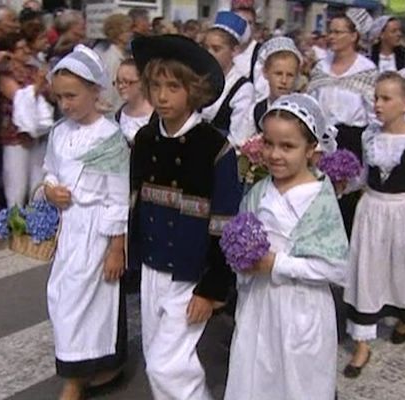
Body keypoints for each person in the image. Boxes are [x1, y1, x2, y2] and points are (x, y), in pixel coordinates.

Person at [130, 34, 242, 400]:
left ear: (193, 91)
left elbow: (225, 223)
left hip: (190, 274)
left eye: (173, 87)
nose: (162, 96)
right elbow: (135, 203)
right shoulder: (146, 139)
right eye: (156, 86)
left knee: (169, 365)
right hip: (151, 266)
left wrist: (212, 289)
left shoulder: (215, 147)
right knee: (156, 357)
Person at [224, 93, 346, 400]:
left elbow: (336, 267)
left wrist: (275, 264)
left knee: (296, 383)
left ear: (311, 148)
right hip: (259, 303)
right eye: (269, 143)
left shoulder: (318, 199)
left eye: (287, 146)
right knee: (255, 378)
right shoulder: (260, 191)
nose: (275, 154)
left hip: (301, 309)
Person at [43, 44, 129, 400]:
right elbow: (49, 169)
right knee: (62, 298)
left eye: (73, 96)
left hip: (96, 231)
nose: (66, 104)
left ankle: (76, 378)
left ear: (94, 91)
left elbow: (117, 195)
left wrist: (116, 247)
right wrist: (50, 191)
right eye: (60, 97)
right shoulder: (59, 133)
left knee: (88, 302)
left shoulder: (109, 137)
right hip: (70, 229)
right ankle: (90, 364)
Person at [343, 72, 405, 378]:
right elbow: (365, 176)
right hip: (371, 211)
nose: (378, 104)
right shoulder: (370, 136)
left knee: (402, 272)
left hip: (402, 214)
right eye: (376, 97)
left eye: (386, 98)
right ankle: (362, 343)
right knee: (367, 272)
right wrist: (341, 182)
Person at [307, 8, 377, 236]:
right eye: (330, 31)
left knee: (346, 210)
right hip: (321, 143)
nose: (332, 36)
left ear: (354, 36)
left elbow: (374, 118)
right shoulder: (321, 67)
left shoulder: (366, 70)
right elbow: (312, 107)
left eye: (338, 32)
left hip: (352, 145)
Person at [0, 32, 50, 207]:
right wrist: (37, 86)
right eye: (21, 48)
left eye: (26, 47)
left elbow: (49, 94)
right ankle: (14, 226)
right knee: (16, 185)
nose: (26, 50)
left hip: (38, 134)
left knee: (37, 183)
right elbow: (17, 96)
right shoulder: (5, 73)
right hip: (15, 135)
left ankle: (36, 224)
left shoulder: (34, 70)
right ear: (10, 51)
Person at [202, 11, 255, 147]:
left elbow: (238, 138)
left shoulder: (242, 88)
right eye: (206, 47)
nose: (209, 54)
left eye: (216, 49)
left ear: (234, 50)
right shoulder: (199, 78)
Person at [251, 37, 302, 132]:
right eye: (278, 74)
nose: (284, 80)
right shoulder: (258, 109)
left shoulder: (301, 111)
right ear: (265, 72)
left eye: (290, 75)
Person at [114, 58, 153, 144]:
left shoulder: (156, 116)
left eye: (126, 82)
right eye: (118, 81)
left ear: (142, 82)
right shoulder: (118, 116)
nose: (121, 86)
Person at [99, 13, 132, 112]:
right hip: (115, 110)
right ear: (117, 34)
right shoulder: (111, 58)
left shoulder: (123, 55)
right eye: (127, 31)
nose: (130, 34)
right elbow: (108, 90)